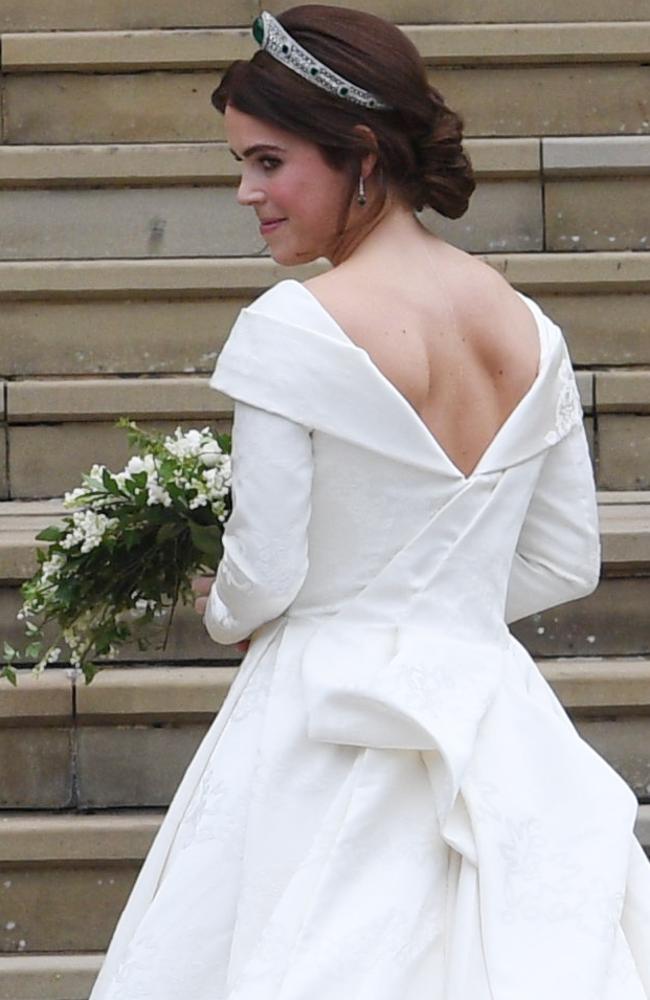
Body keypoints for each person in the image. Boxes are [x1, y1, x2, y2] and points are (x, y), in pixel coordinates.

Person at [89, 6, 650, 998]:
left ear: (357, 155)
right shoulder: (531, 331)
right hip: (492, 716)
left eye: (268, 162)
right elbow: (566, 560)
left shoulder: (290, 327)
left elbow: (266, 576)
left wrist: (227, 607)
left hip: (320, 720)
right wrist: (442, 611)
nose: (244, 191)